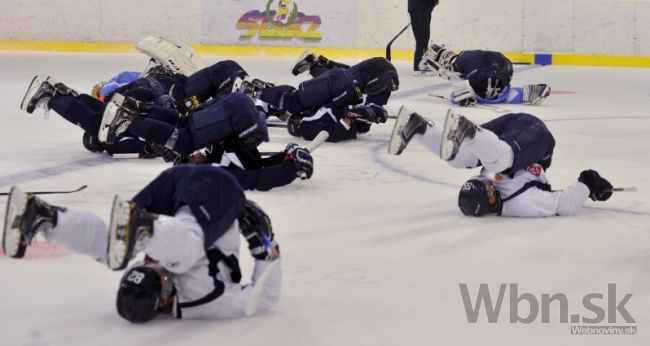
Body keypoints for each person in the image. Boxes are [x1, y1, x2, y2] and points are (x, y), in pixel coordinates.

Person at [2, 165, 281, 322]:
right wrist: (267, 247)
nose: (154, 268)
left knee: (114, 253)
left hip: (179, 190)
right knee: (182, 253)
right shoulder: (199, 300)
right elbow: (265, 298)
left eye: (150, 270)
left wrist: (266, 248)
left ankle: (47, 219)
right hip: (212, 188)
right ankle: (143, 227)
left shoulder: (156, 273)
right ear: (164, 302)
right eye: (157, 277)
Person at [388, 107, 614, 217]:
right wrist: (588, 182)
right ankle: (466, 133)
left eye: (480, 181)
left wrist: (587, 182)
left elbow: (566, 203)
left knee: (464, 159)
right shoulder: (521, 203)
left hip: (506, 135)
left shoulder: (492, 185)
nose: (487, 181)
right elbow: (566, 203)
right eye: (486, 186)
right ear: (491, 198)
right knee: (496, 162)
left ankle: (419, 127)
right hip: (537, 139)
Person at [257, 53, 398, 142]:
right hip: (346, 86)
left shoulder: (309, 121)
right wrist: (368, 114)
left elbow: (351, 117)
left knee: (344, 82)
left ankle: (258, 91)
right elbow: (355, 122)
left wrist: (365, 113)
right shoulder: (311, 120)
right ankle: (315, 64)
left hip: (342, 86)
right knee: (347, 82)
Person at [419, 43, 551, 106]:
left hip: (480, 79)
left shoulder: (464, 59)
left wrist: (430, 63)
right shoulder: (500, 59)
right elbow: (509, 73)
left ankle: (466, 94)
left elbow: (450, 74)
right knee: (506, 94)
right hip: (502, 75)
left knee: (456, 88)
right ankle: (529, 92)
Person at [408, 0, 440, 73]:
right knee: (422, 37)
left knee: (423, 37)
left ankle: (421, 63)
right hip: (421, 7)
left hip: (419, 7)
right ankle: (419, 65)